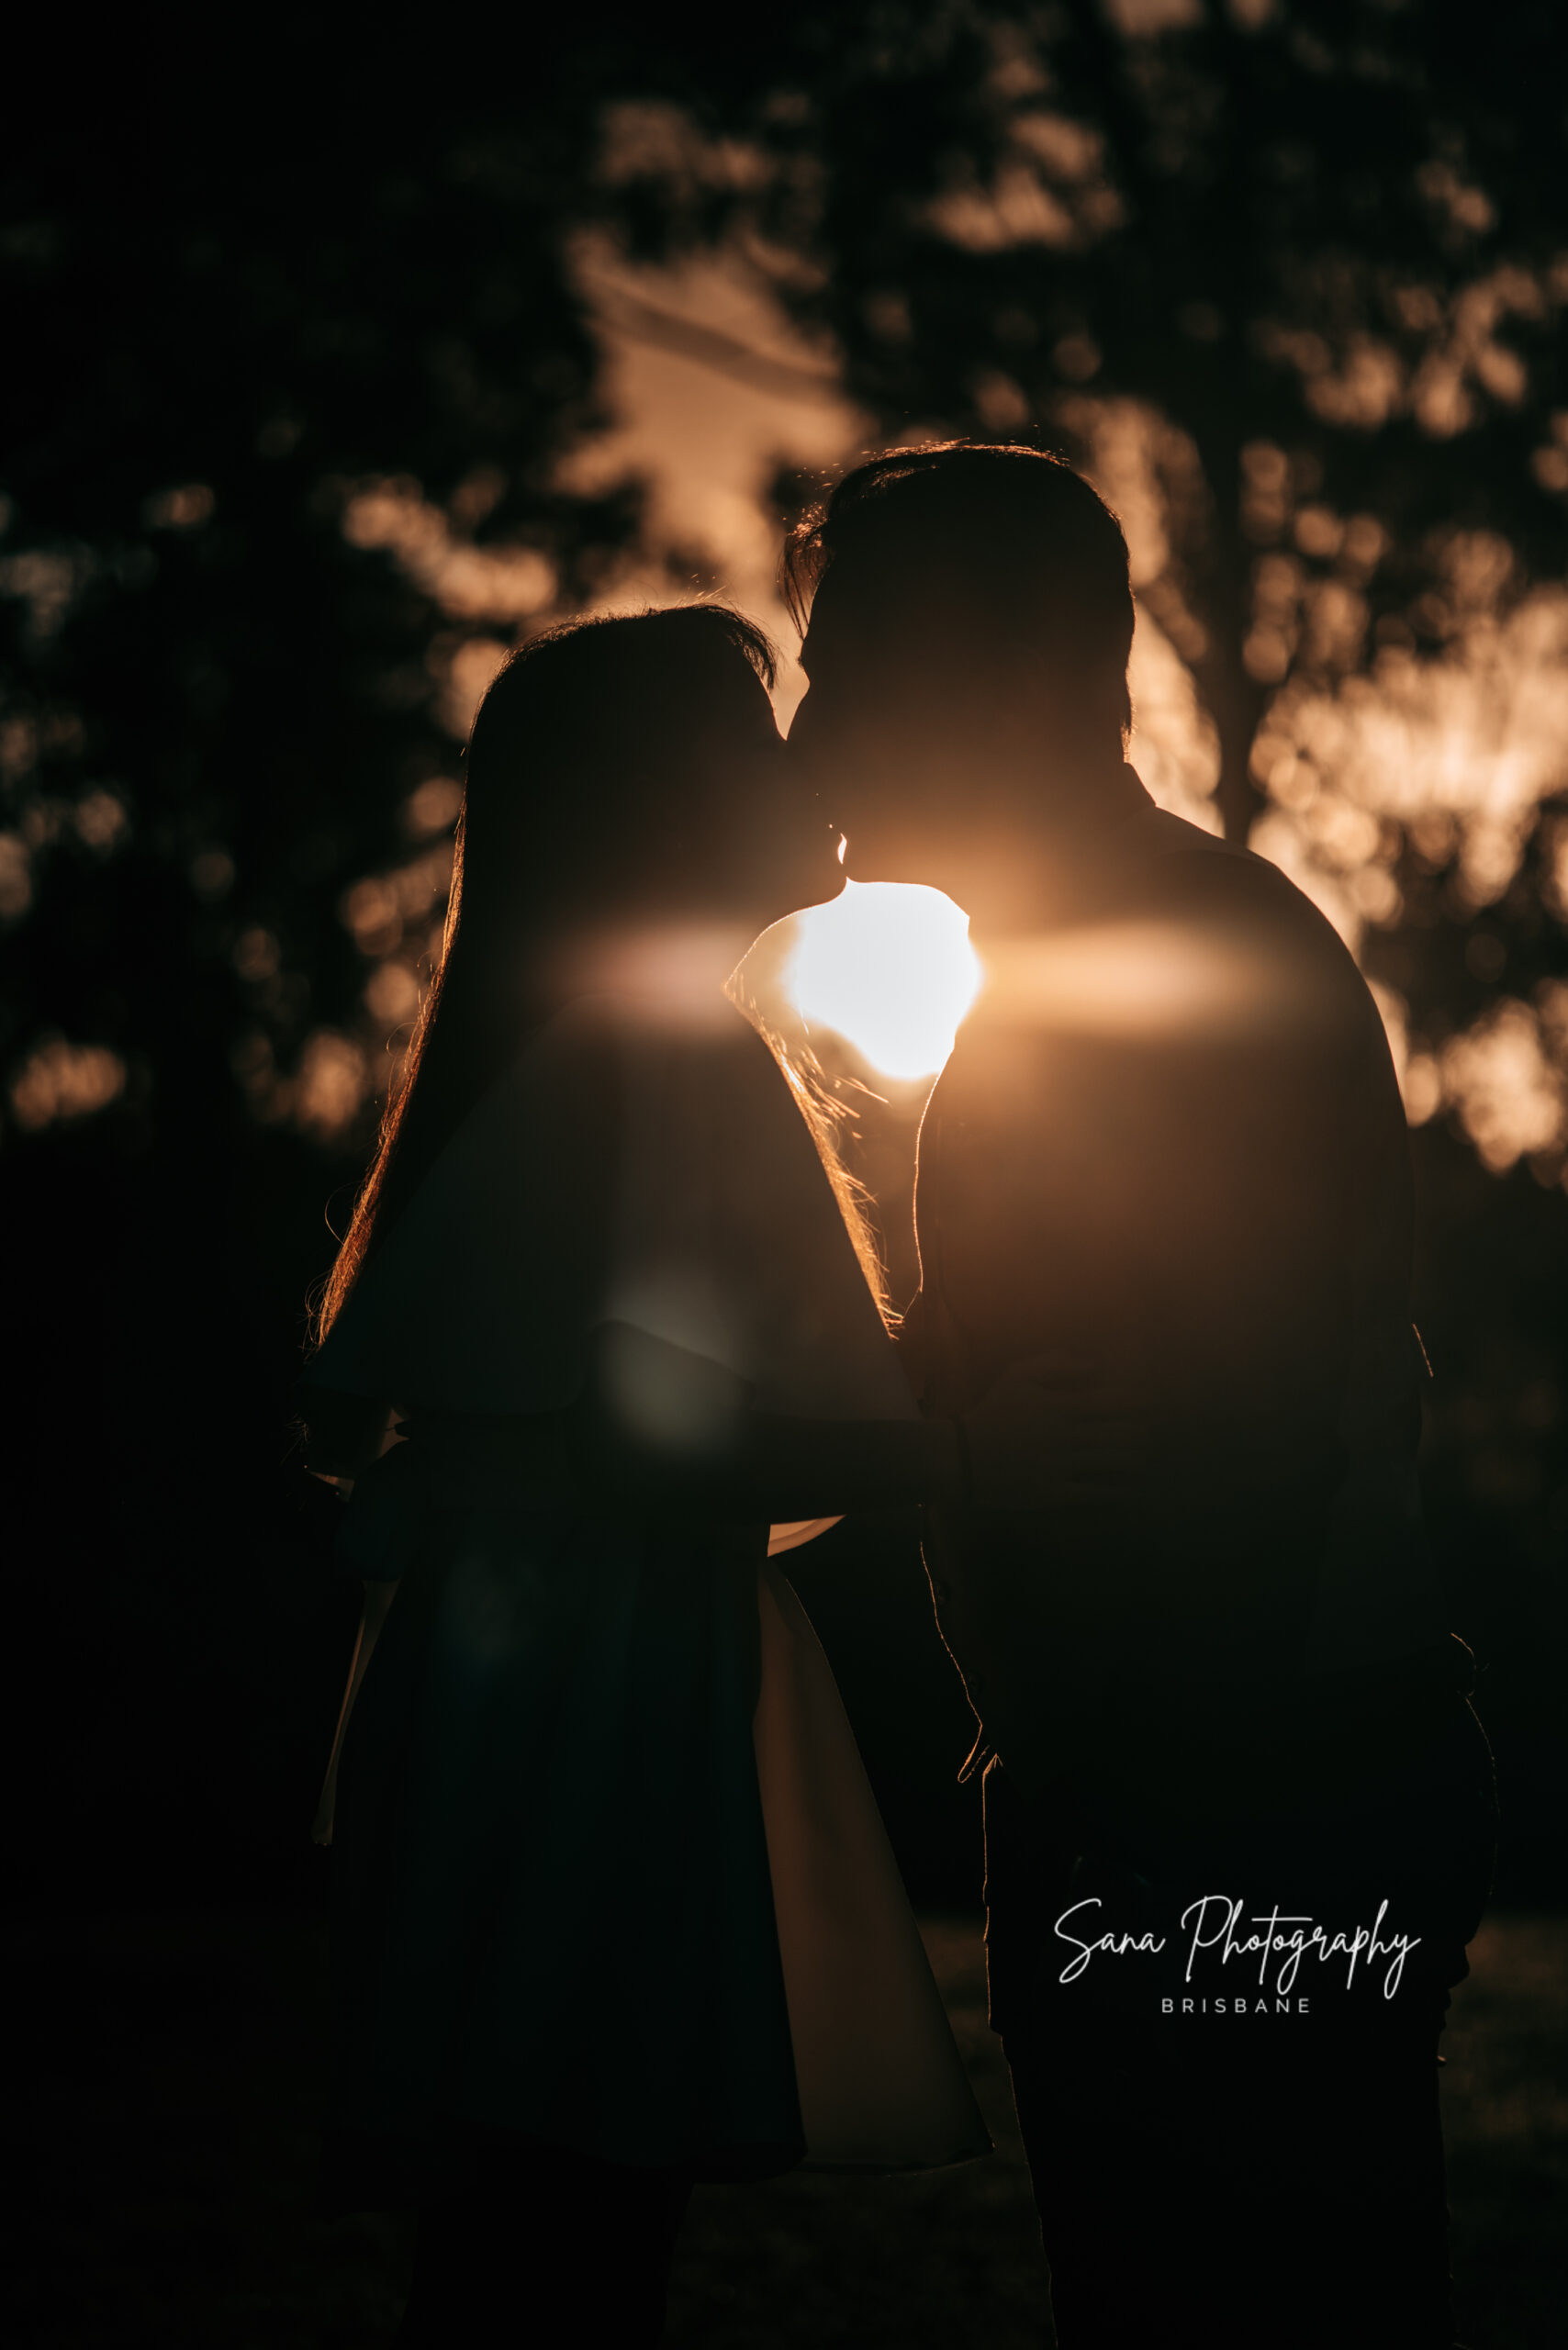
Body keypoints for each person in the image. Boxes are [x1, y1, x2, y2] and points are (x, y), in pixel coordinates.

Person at [298, 603, 1112, 2344]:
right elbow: (656, 1431)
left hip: (539, 1678)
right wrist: (963, 1444)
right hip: (587, 1693)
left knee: (531, 2224)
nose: (806, 769)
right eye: (757, 738)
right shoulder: (653, 1046)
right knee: (572, 2217)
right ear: (656, 798)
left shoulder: (585, 1042)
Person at [785, 442, 1497, 2349]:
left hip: (1235, 1797)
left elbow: (1210, 1450)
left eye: (840, 668)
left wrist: (1119, 1824)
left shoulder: (1170, 975)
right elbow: (1031, 1390)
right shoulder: (1074, 971)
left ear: (1009, 680)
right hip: (1196, 1789)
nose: (807, 728)